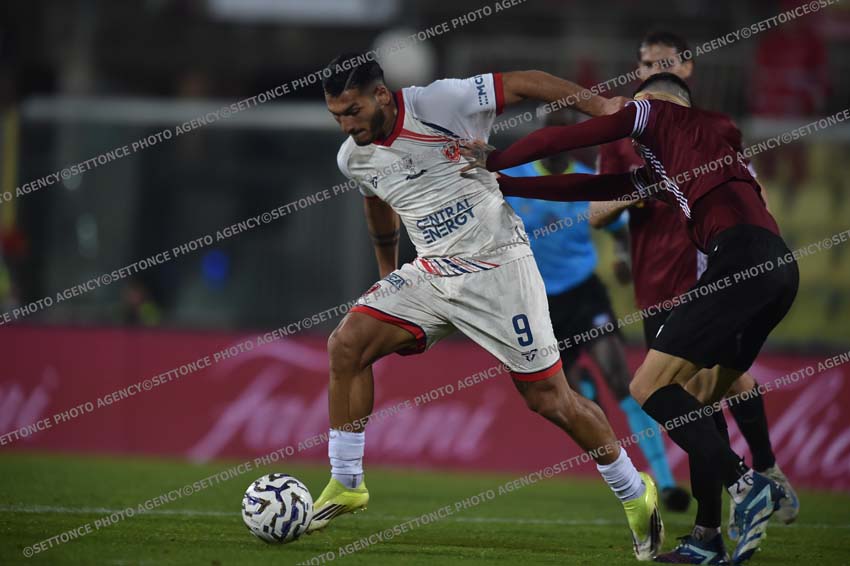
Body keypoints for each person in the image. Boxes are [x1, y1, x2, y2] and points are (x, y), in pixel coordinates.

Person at [313, 52, 665, 561]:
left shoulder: (440, 102)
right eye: (337, 117)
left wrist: (602, 107)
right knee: (346, 345)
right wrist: (388, 271)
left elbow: (528, 80)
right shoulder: (354, 156)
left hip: (499, 267)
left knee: (550, 400)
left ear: (382, 96)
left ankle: (635, 491)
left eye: (353, 111)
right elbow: (377, 197)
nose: (347, 125)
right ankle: (346, 482)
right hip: (431, 271)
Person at [461, 72, 799, 564]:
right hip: (779, 271)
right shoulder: (693, 153)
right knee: (700, 397)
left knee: (646, 387)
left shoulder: (655, 112)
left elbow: (563, 138)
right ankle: (707, 538)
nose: (628, 123)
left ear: (657, 101)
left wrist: (495, 160)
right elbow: (593, 185)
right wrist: (506, 183)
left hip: (738, 259)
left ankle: (748, 485)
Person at [591, 30, 798, 552]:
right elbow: (595, 211)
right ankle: (747, 490)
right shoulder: (622, 135)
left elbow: (751, 192)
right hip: (655, 287)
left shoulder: (716, 128)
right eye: (646, 65)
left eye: (664, 64)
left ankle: (737, 498)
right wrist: (639, 190)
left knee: (703, 393)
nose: (653, 73)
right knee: (698, 401)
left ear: (686, 69)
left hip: (709, 275)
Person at [503, 108, 690, 513]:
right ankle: (625, 468)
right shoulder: (516, 180)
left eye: (564, 137)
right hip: (540, 302)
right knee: (569, 397)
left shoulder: (587, 179)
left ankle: (666, 481)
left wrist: (622, 256)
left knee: (621, 378)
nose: (556, 144)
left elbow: (617, 226)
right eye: (551, 137)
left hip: (585, 293)